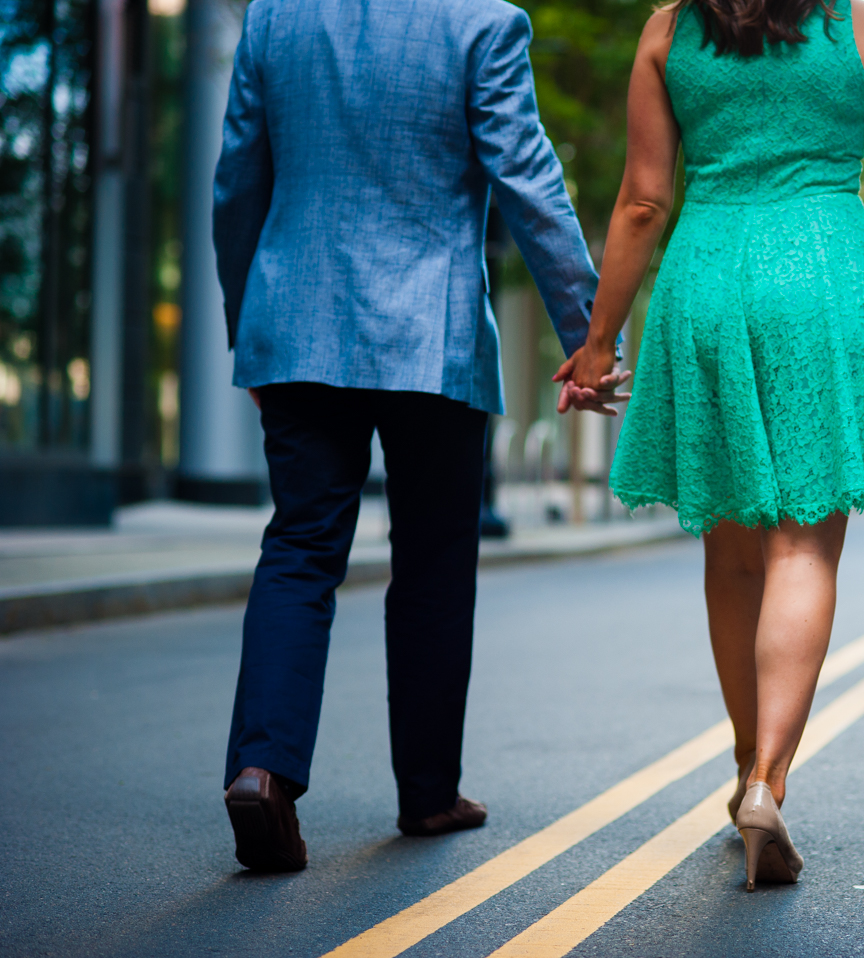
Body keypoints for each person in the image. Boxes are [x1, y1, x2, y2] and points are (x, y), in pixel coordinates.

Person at [213, 0, 626, 873]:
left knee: (299, 547)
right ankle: (428, 793)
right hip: (427, 339)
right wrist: (590, 336)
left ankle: (262, 770)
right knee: (435, 563)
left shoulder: (274, 19)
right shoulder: (481, 22)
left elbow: (236, 183)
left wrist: (246, 327)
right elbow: (528, 179)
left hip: (297, 325)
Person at [555, 0, 864, 890]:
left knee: (733, 560)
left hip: (706, 281)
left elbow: (642, 201)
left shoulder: (668, 33)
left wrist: (598, 341)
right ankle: (768, 783)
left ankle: (744, 768)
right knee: (804, 547)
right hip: (827, 278)